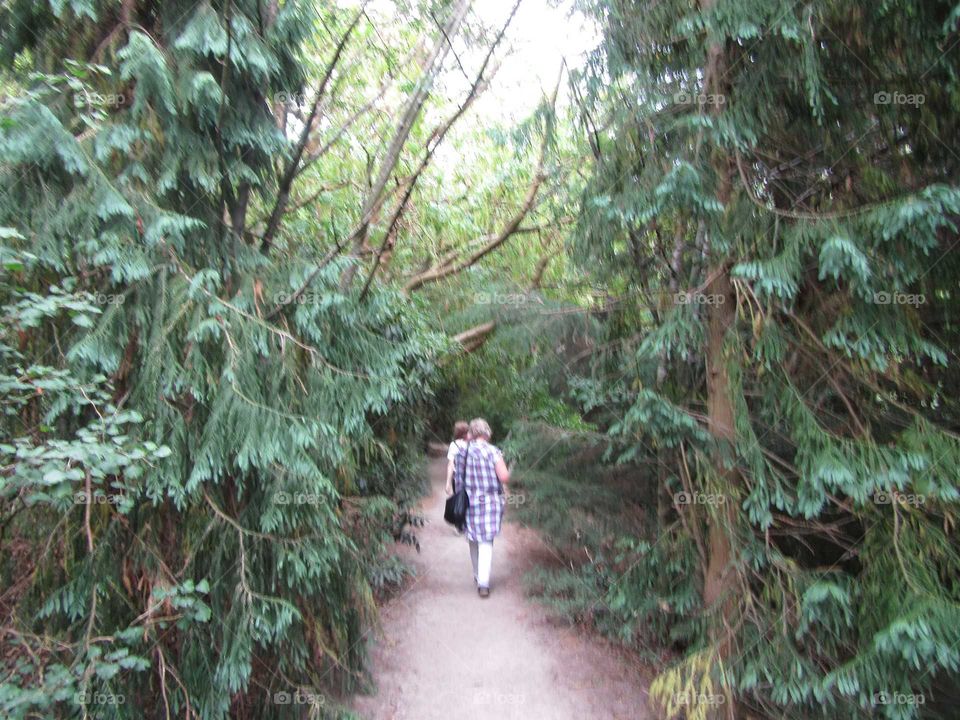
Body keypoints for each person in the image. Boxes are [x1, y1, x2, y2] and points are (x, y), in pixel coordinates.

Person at [456, 418, 510, 598]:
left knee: (473, 539)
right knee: (486, 541)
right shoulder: (493, 452)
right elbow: (504, 477)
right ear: (487, 433)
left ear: (471, 433)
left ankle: (477, 575)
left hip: (469, 501)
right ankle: (483, 584)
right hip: (490, 501)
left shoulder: (463, 452)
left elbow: (458, 480)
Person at [444, 420, 469, 498]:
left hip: (458, 478)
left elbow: (451, 464)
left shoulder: (454, 444)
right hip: (471, 477)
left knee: (459, 500)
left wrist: (448, 483)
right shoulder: (472, 443)